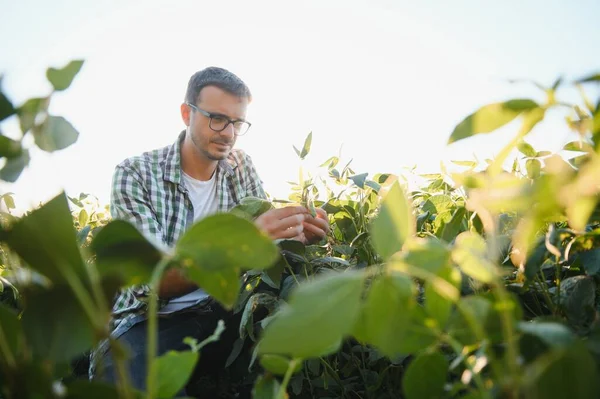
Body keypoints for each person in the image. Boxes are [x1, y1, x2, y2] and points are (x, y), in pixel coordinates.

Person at [90, 67, 330, 395]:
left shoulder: (241, 167)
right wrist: (243, 243)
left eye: (237, 122)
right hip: (149, 324)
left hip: (226, 310)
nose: (228, 133)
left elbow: (268, 245)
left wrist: (302, 233)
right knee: (128, 380)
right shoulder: (136, 174)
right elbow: (156, 280)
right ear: (187, 113)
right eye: (217, 118)